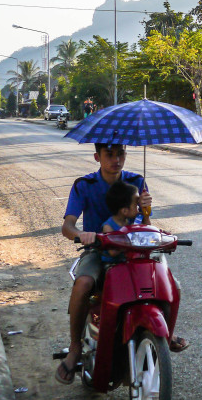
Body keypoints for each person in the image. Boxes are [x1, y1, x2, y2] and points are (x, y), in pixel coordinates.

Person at [56, 143, 188, 385]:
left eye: (121, 153)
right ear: (97, 156)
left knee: (172, 286)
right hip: (100, 250)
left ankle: (165, 334)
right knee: (84, 283)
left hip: (136, 250)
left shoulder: (137, 181)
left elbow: (145, 221)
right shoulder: (84, 185)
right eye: (109, 154)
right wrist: (82, 234)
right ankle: (75, 347)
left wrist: (146, 208)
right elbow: (68, 225)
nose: (116, 159)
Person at [100, 180, 141, 263]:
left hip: (127, 262)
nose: (138, 208)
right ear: (125, 211)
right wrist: (132, 240)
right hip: (112, 265)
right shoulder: (108, 227)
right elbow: (113, 252)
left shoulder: (130, 222)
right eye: (136, 205)